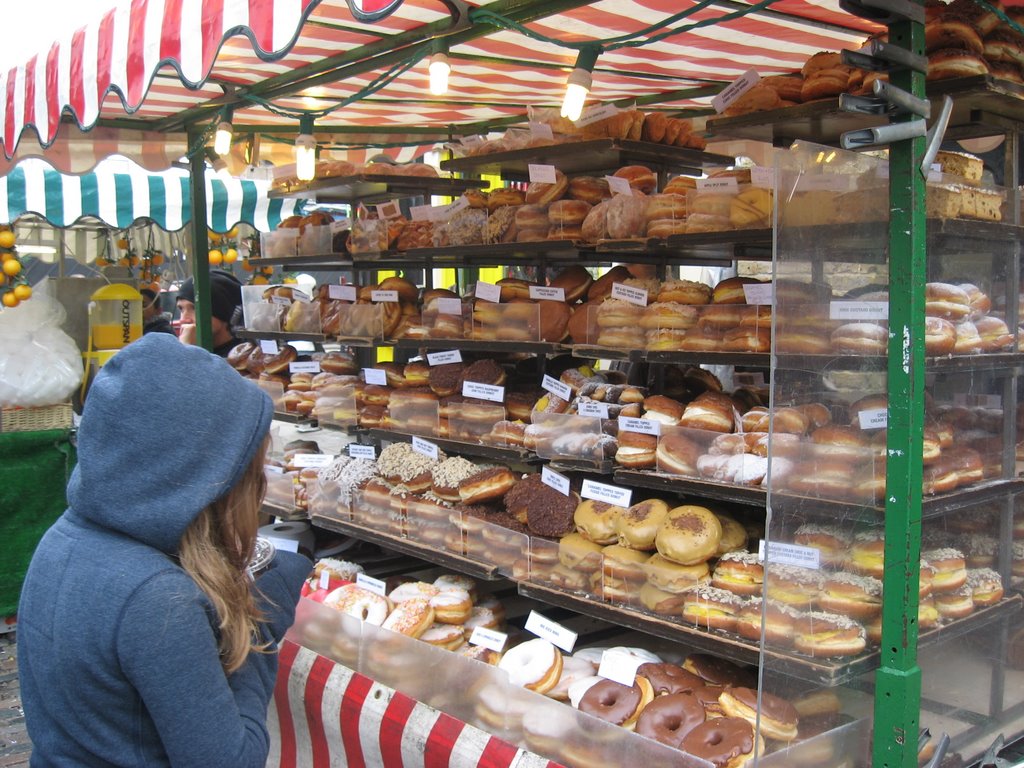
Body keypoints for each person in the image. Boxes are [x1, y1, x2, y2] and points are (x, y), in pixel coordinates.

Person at [18, 334, 310, 767]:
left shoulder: (64, 537)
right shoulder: (156, 598)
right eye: (252, 472)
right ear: (198, 474)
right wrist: (258, 630)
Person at [176, 269, 243, 356]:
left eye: (194, 308)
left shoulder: (242, 359)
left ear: (222, 311)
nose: (183, 319)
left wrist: (187, 351)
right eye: (181, 309)